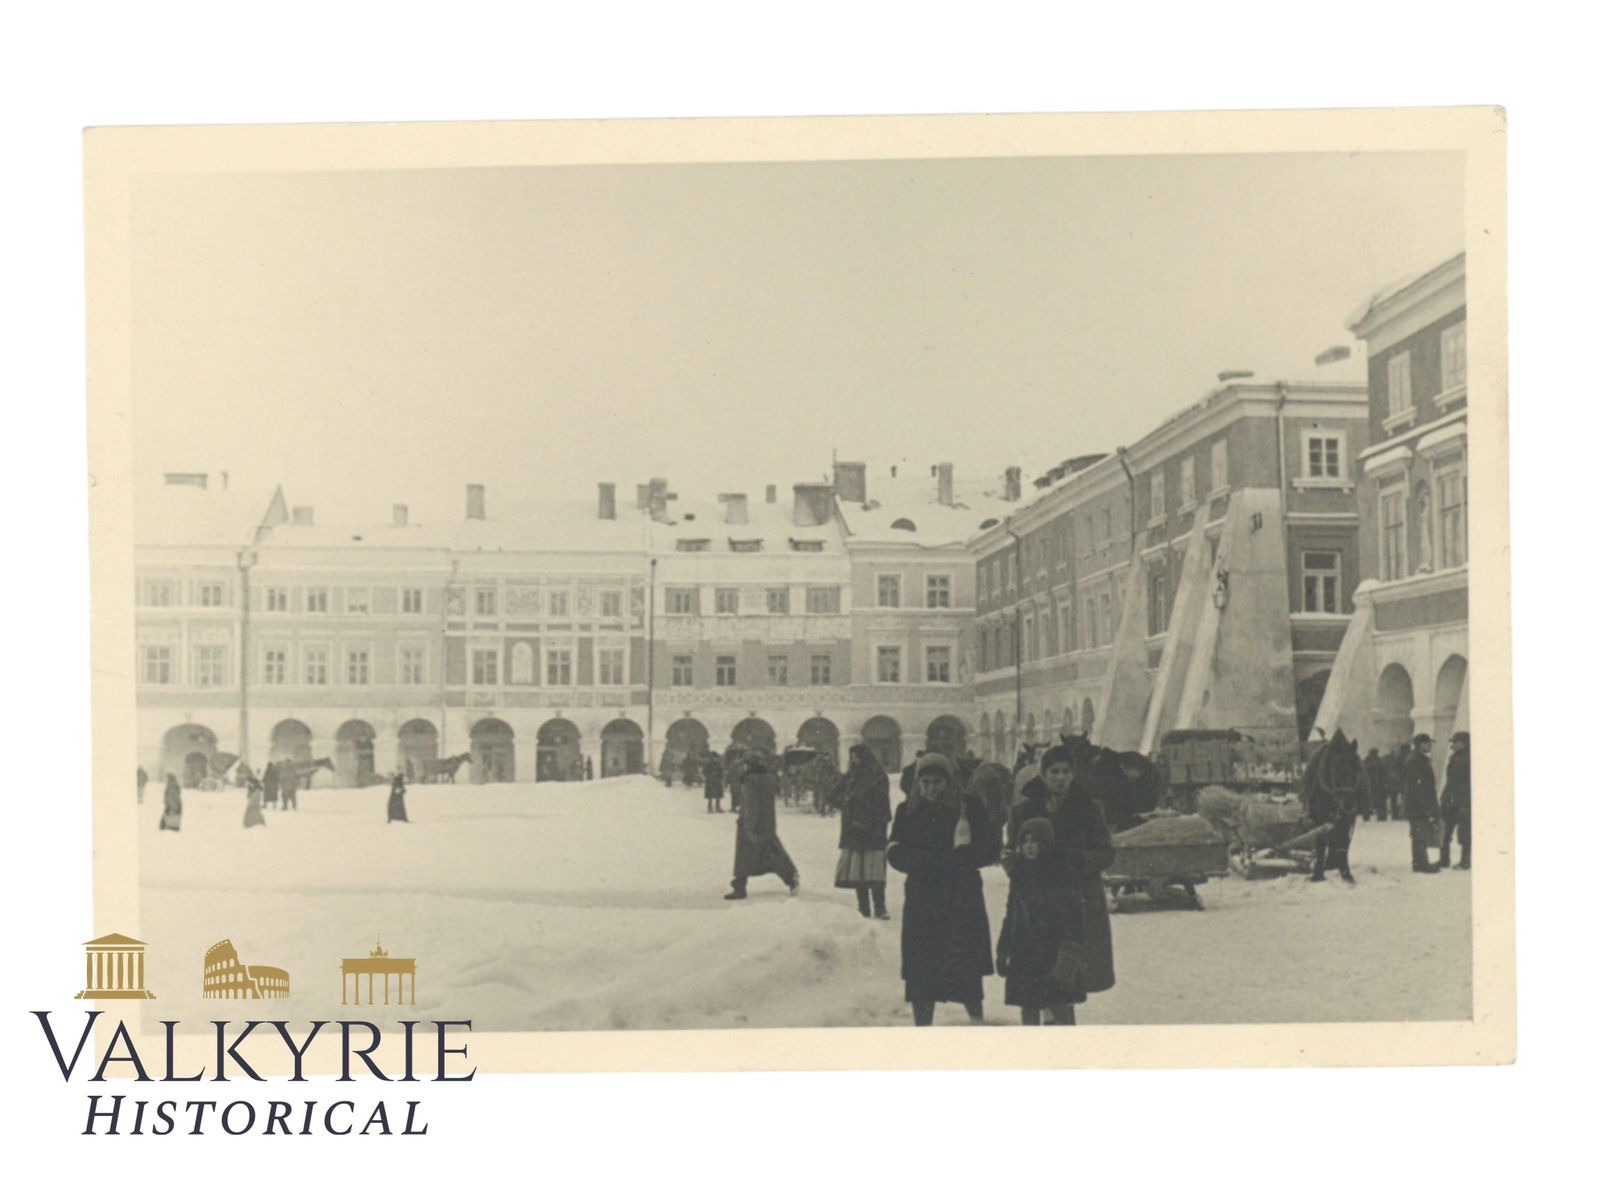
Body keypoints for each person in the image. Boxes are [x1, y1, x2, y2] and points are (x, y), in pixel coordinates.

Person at [886, 753, 999, 1026]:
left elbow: (991, 847)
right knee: (921, 969)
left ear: (949, 782)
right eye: (925, 782)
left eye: (937, 781)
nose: (931, 788)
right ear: (917, 783)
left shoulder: (969, 808)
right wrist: (927, 861)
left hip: (961, 897)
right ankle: (923, 1027)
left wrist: (967, 857)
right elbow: (894, 851)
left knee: (966, 967)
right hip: (923, 899)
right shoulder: (907, 810)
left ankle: (977, 1024)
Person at [1007, 744, 1116, 1013]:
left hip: (1076, 900)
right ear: (1043, 774)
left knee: (1067, 973)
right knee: (1035, 974)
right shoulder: (1024, 809)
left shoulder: (1089, 808)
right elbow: (1011, 851)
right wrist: (1020, 871)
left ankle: (1063, 1029)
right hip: (1036, 903)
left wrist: (1080, 861)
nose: (1061, 777)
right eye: (1054, 771)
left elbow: (1106, 853)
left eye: (1066, 771)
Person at [996, 817, 1084, 1026]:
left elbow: (1073, 917)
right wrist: (1003, 951)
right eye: (1024, 841)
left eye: (1034, 841)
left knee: (1059, 1007)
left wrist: (1068, 954)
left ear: (1045, 842)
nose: (1029, 847)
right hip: (1024, 953)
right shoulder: (1020, 875)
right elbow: (1011, 916)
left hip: (1054, 952)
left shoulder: (1062, 874)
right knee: (1029, 1008)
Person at [725, 755, 798, 898]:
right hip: (767, 824)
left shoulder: (750, 781)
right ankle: (790, 875)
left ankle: (740, 887)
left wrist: (748, 826)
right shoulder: (767, 779)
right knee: (771, 853)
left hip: (752, 824)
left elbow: (751, 805)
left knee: (745, 856)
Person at [833, 744, 892, 919]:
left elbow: (883, 803)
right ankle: (863, 907)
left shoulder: (878, 777)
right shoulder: (850, 777)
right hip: (854, 830)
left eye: (857, 757)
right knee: (858, 871)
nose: (854, 760)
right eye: (852, 757)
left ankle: (880, 907)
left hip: (874, 829)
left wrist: (863, 807)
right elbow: (833, 795)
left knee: (875, 871)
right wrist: (846, 804)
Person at [1401, 735, 1440, 873]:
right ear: (1420, 744)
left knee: (1419, 834)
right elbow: (1417, 787)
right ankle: (1422, 864)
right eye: (1427, 743)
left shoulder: (1418, 759)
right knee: (1419, 835)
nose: (1430, 745)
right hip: (1417, 805)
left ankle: (1419, 863)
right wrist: (1425, 807)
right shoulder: (1415, 761)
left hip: (1417, 804)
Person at [1439, 732, 1471, 870]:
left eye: (1456, 742)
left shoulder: (1469, 758)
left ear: (1463, 743)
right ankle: (1444, 859)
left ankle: (1464, 861)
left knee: (1464, 833)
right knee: (1445, 832)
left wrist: (1466, 802)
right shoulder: (1455, 757)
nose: (1453, 744)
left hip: (1462, 801)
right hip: (1450, 800)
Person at [1386, 741, 1412, 821]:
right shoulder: (1407, 758)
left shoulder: (1397, 759)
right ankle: (1402, 815)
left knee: (1395, 799)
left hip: (1395, 783)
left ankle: (1396, 815)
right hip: (1402, 783)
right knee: (1404, 798)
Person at [1363, 746, 1389, 821]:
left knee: (1368, 800)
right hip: (1378, 784)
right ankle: (1381, 816)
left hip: (1371, 784)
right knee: (1380, 801)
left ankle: (1367, 816)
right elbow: (1384, 773)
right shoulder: (1380, 761)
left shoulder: (1366, 761)